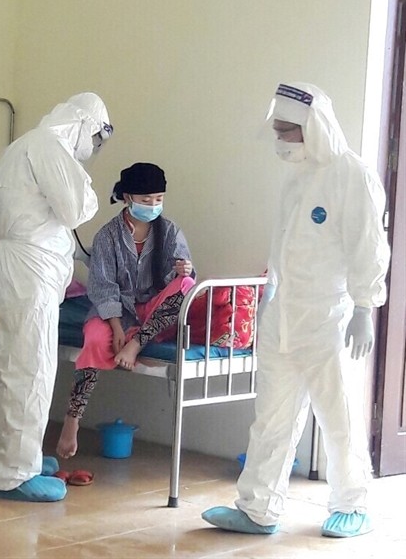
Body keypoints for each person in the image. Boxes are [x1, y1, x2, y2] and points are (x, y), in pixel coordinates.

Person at [202, 82, 390, 538]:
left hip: (329, 319)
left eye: (288, 130)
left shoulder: (352, 175)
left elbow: (368, 245)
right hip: (283, 316)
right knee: (271, 419)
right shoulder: (295, 175)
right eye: (279, 130)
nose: (281, 140)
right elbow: (284, 245)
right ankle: (258, 508)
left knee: (338, 417)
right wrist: (270, 296)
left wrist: (365, 305)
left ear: (314, 127)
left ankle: (353, 504)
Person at [0, 92, 113, 502]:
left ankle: (9, 454)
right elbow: (77, 209)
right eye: (94, 137)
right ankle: (16, 474)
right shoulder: (49, 147)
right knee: (32, 370)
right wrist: (86, 184)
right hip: (30, 271)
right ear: (81, 124)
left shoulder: (25, 144)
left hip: (19, 265)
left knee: (17, 366)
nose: (91, 147)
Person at [56, 162, 195, 459]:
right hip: (117, 312)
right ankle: (72, 420)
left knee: (186, 285)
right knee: (94, 339)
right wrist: (117, 328)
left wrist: (185, 269)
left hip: (154, 317)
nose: (153, 205)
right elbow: (103, 286)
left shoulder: (170, 232)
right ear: (127, 198)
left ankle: (136, 344)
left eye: (158, 199)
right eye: (146, 200)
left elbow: (179, 282)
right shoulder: (108, 237)